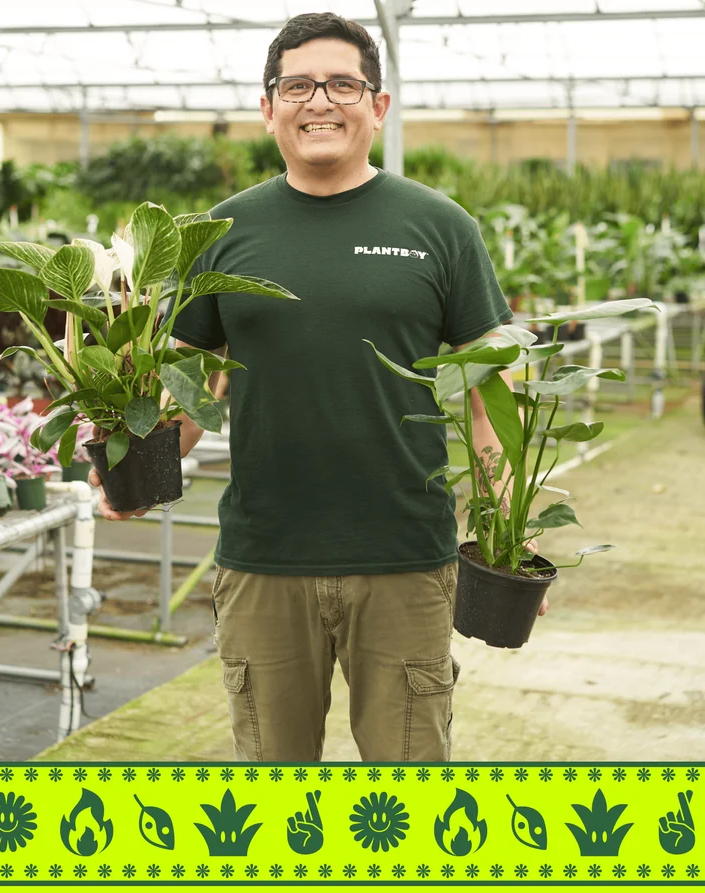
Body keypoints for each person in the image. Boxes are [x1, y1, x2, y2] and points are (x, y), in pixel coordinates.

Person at [91, 12, 546, 762]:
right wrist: (131, 461)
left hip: (405, 556)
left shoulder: (439, 225)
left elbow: (487, 390)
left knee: (405, 796)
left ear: (379, 105)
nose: (320, 101)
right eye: (297, 85)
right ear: (268, 107)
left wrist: (509, 521)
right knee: (275, 796)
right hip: (264, 558)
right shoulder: (222, 229)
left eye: (342, 83)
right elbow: (187, 381)